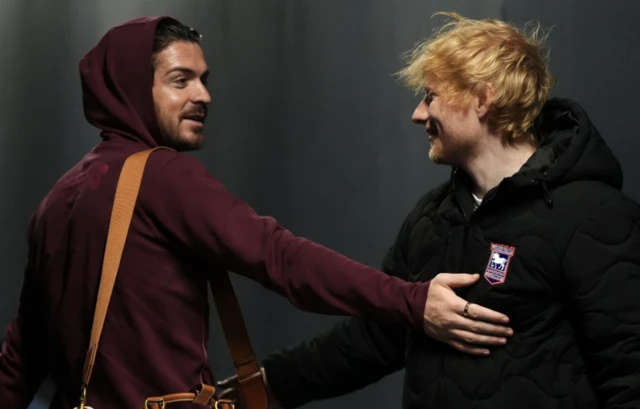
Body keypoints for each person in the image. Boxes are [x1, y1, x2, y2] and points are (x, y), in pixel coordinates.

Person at [0, 15, 514, 409]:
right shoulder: (161, 176)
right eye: (180, 80)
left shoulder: (55, 203)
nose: (203, 96)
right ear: (132, 87)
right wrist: (413, 300)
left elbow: (20, 362)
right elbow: (280, 259)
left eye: (204, 79)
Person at [218, 12, 640, 409]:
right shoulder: (433, 217)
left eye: (430, 96)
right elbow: (377, 336)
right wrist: (268, 384)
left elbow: (628, 371)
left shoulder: (594, 215)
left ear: (483, 96)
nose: (418, 114)